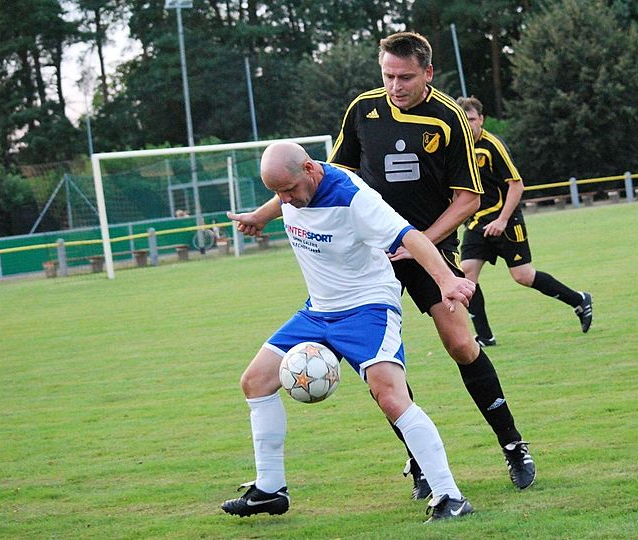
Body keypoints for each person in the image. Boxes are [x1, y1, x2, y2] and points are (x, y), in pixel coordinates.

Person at [219, 142, 475, 522]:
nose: (285, 200)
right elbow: (284, 197)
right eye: (278, 193)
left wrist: (445, 280)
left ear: (309, 169)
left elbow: (410, 236)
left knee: (389, 396)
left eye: (289, 190)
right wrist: (261, 215)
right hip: (318, 310)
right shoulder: (294, 188)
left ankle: (450, 496)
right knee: (255, 382)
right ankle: (270, 489)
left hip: (367, 308)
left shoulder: (354, 197)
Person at [330, 31, 536, 496]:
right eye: (387, 75)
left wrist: (418, 241)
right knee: (377, 365)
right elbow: (335, 174)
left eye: (405, 77)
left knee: (462, 344)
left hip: (428, 252)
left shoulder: (449, 118)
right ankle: (420, 463)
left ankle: (513, 446)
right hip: (371, 258)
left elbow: (468, 198)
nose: (395, 85)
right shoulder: (363, 109)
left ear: (428, 72)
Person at [455, 96, 593, 346]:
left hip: (505, 221)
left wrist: (503, 220)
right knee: (467, 274)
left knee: (523, 276)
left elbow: (516, 186)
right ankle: (485, 336)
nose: (468, 124)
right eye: (463, 120)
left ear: (481, 120)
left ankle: (579, 299)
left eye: (472, 119)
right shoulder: (457, 148)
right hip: (477, 223)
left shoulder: (492, 145)